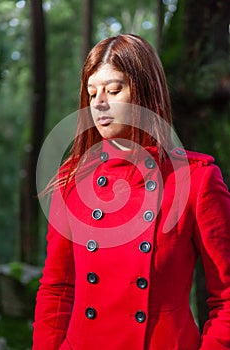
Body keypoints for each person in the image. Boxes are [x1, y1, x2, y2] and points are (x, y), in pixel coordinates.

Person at [33, 34, 230, 350]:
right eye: (92, 92)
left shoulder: (195, 180)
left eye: (113, 90)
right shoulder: (72, 181)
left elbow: (226, 296)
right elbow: (56, 290)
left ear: (144, 92)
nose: (99, 102)